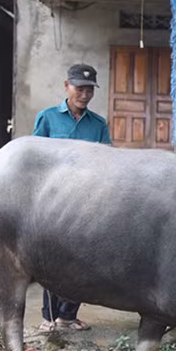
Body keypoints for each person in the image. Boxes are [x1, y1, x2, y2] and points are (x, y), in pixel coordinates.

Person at [33, 63, 111, 332]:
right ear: (67, 86)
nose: (85, 95)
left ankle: (67, 316)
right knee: (51, 259)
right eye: (80, 89)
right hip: (52, 201)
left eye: (89, 90)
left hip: (85, 203)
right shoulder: (47, 118)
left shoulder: (98, 125)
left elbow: (108, 161)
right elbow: (35, 157)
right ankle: (49, 317)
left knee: (81, 259)